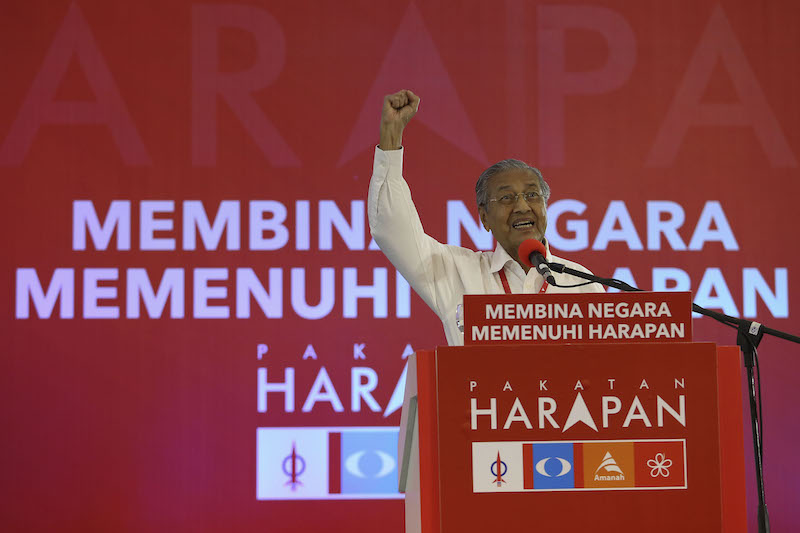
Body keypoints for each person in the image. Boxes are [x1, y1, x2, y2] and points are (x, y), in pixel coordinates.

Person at [368, 89, 603, 346]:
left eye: (532, 195)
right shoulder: (457, 272)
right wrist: (391, 139)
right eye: (506, 198)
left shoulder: (581, 283)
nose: (523, 206)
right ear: (484, 217)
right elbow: (392, 229)